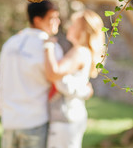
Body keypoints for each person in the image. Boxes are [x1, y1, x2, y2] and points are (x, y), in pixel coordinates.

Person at [0, 0, 64, 148]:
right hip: (35, 120)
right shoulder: (51, 48)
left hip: (9, 120)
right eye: (53, 18)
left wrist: (4, 112)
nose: (58, 21)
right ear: (38, 20)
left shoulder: (10, 43)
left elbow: (0, 83)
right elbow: (60, 83)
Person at [44, 9, 105, 148]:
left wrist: (48, 48)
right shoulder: (82, 51)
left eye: (73, 25)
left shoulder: (79, 52)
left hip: (66, 118)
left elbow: (60, 80)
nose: (69, 27)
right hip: (70, 116)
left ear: (83, 31)